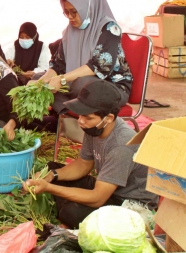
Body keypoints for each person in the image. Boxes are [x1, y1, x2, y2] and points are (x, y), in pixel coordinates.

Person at [23, 80, 158, 229]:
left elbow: (98, 198)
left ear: (109, 118)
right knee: (50, 168)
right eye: (81, 115)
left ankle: (64, 210)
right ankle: (63, 207)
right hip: (106, 187)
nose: (80, 121)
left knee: (71, 213)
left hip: (128, 204)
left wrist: (49, 187)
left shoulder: (121, 146)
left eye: (88, 117)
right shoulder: (95, 127)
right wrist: (51, 176)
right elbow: (83, 165)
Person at [37, 0, 133, 113]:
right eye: (66, 12)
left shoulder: (109, 28)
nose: (70, 17)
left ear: (88, 8)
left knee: (85, 86)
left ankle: (68, 111)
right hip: (77, 83)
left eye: (74, 12)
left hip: (111, 87)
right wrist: (41, 83)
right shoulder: (69, 32)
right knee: (37, 78)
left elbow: (98, 65)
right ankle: (67, 113)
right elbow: (57, 65)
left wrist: (62, 79)